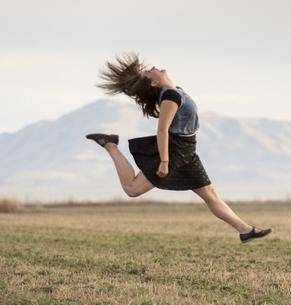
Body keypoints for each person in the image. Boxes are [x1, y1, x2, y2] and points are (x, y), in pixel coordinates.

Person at [86, 51, 271, 243]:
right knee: (132, 189)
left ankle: (246, 231)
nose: (155, 68)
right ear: (153, 82)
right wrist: (164, 161)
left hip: (187, 151)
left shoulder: (174, 91)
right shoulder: (170, 96)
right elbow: (162, 130)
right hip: (175, 151)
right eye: (151, 72)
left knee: (210, 195)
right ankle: (110, 145)